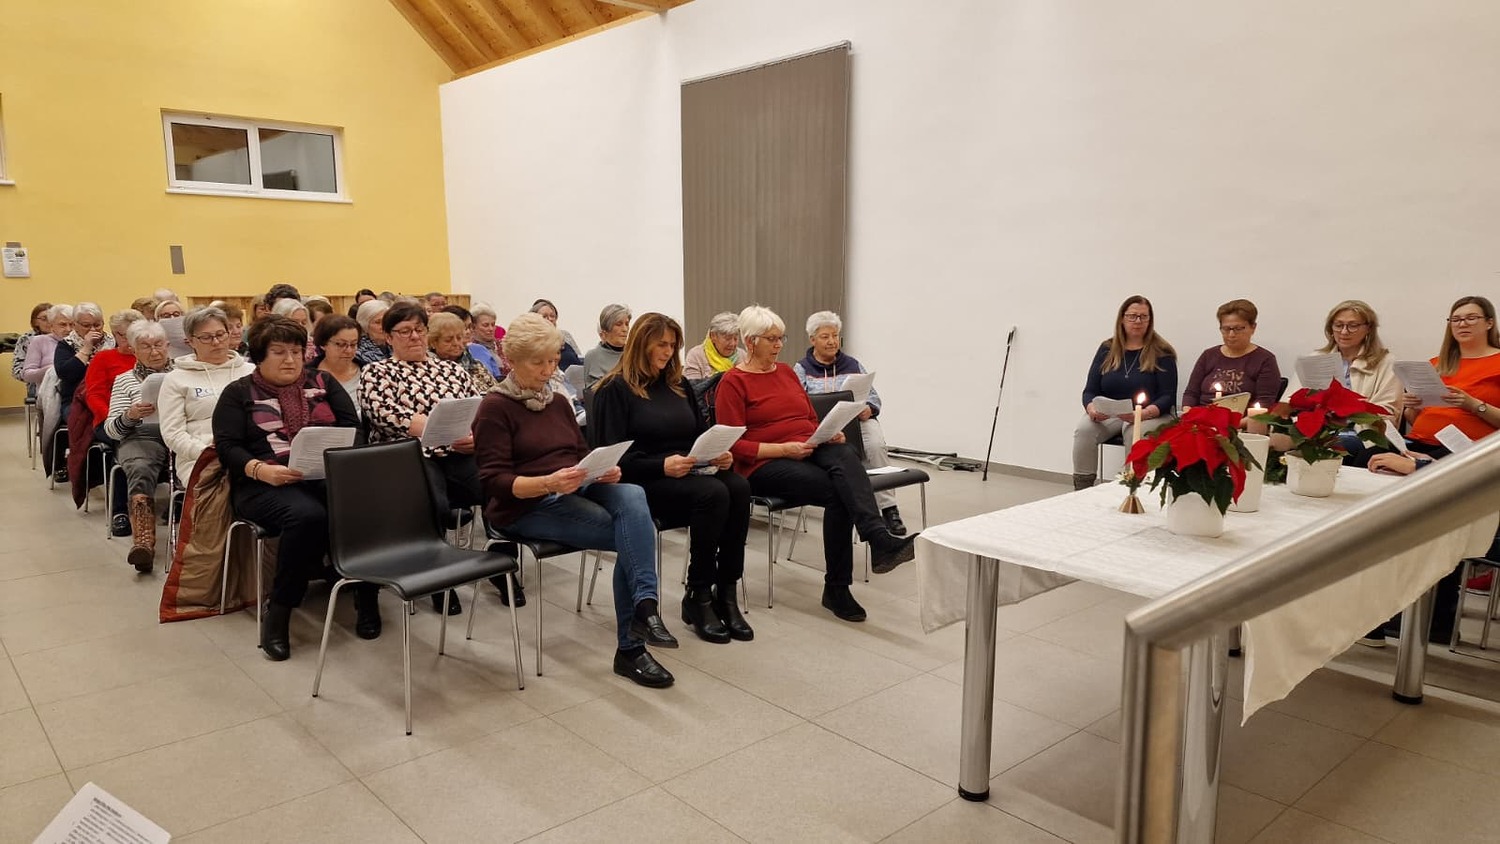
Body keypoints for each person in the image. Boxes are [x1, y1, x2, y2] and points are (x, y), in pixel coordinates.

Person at [473, 313, 680, 687]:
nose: (548, 370)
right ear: (511, 360)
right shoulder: (495, 408)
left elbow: (578, 452)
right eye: (538, 362)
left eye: (553, 360)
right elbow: (494, 482)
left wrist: (600, 470)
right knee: (633, 535)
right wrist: (547, 482)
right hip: (526, 505)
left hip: (572, 484)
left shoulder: (556, 401)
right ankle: (633, 643)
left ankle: (644, 610)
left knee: (632, 493)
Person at [715, 305, 918, 623]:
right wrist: (783, 450)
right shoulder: (733, 382)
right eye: (772, 339)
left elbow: (809, 418)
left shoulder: (785, 372)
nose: (779, 344)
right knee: (839, 491)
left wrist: (827, 433)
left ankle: (875, 539)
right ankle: (842, 582)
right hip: (763, 463)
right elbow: (732, 444)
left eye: (781, 338)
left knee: (845, 452)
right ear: (751, 341)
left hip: (806, 447)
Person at [213, 316, 373, 660]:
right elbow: (228, 447)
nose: (290, 360)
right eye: (279, 352)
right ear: (259, 356)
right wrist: (261, 470)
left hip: (326, 474)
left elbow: (354, 429)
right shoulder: (238, 393)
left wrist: (336, 458)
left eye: (297, 352)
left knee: (364, 503)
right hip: (263, 482)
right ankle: (280, 609)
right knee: (308, 516)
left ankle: (366, 593)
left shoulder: (323, 382)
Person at [593, 313, 754, 643]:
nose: (668, 352)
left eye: (673, 345)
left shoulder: (678, 385)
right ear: (642, 345)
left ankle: (726, 590)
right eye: (661, 345)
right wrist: (661, 466)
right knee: (713, 493)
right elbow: (611, 458)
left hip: (685, 471)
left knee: (738, 486)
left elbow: (698, 434)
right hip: (642, 480)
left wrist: (716, 453)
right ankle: (698, 593)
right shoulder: (615, 388)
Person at [359, 302, 481, 614]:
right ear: (389, 337)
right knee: (434, 503)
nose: (414, 336)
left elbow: (476, 408)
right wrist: (441, 431)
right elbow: (385, 415)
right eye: (404, 331)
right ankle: (439, 581)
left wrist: (474, 436)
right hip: (407, 456)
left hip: (456, 451)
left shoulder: (451, 369)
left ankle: (502, 565)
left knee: (497, 485)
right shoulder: (377, 372)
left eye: (419, 329)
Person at [793, 310, 911, 533]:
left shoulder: (852, 364)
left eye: (835, 336)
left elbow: (873, 397)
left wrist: (869, 408)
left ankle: (889, 508)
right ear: (812, 339)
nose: (832, 341)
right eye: (825, 336)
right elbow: (796, 403)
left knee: (876, 444)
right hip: (821, 425)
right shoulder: (801, 369)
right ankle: (854, 504)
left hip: (856, 421)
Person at [1071, 296, 1179, 490]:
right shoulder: (1107, 349)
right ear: (1122, 318)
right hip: (1112, 412)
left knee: (1133, 432)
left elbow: (1168, 396)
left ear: (1150, 320)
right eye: (1132, 316)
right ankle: (1082, 489)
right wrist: (1091, 408)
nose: (1138, 321)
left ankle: (1132, 489)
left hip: (1151, 413)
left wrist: (1143, 413)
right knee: (1084, 430)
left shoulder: (1162, 352)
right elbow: (1090, 390)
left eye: (1143, 317)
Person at [104, 320, 175, 571]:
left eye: (158, 344)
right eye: (146, 346)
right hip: (142, 435)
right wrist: (130, 415)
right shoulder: (124, 380)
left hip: (181, 433)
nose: (154, 351)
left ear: (168, 345)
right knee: (140, 466)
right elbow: (111, 429)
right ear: (134, 350)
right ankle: (143, 542)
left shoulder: (185, 373)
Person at [159, 307, 255, 487]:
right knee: (230, 486)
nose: (216, 342)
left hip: (252, 452)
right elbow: (173, 433)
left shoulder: (251, 372)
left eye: (220, 334)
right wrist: (207, 452)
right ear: (190, 341)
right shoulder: (175, 379)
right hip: (200, 457)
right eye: (206, 337)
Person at [1401, 296, 1500, 457]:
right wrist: (1414, 406)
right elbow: (1415, 419)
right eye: (1456, 320)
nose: (1462, 324)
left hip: (1469, 449)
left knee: (1406, 465)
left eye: (1471, 318)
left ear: (1489, 323)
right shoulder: (1436, 364)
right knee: (1369, 454)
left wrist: (1472, 404)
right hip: (1418, 441)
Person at [1182, 298, 1282, 408]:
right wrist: (1187, 412)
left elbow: (1264, 403)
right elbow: (1191, 393)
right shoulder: (1208, 355)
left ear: (1253, 327)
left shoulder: (1265, 360)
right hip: (1202, 414)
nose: (1231, 334)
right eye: (1226, 329)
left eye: (1238, 328)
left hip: (1242, 417)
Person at [53, 302, 108, 435]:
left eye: (97, 325)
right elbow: (66, 374)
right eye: (86, 325)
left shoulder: (112, 343)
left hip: (108, 397)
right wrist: (87, 348)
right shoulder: (66, 345)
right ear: (75, 325)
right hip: (75, 401)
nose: (93, 330)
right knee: (88, 423)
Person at [430, 312, 497, 394]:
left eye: (459, 338)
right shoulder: (430, 370)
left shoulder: (476, 365)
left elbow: (495, 392)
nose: (456, 343)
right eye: (448, 340)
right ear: (433, 343)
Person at [312, 315, 363, 414]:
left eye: (353, 344)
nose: (349, 350)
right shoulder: (308, 375)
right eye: (340, 344)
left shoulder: (368, 372)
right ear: (323, 344)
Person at [682, 311, 740, 381]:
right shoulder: (696, 356)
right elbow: (693, 386)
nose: (732, 343)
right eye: (728, 338)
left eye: (736, 338)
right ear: (713, 336)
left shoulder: (743, 356)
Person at [584, 304, 631, 386]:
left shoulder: (634, 355)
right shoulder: (593, 356)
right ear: (606, 329)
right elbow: (591, 391)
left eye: (627, 324)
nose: (625, 329)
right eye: (619, 324)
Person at [531, 298, 584, 369]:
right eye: (544, 316)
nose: (550, 319)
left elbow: (579, 358)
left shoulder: (564, 336)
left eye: (552, 316)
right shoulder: (532, 343)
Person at [9, 302, 51, 384]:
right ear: (35, 321)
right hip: (36, 387)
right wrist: (38, 374)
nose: (49, 322)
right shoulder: (26, 339)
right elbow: (17, 370)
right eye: (44, 319)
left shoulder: (63, 337)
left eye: (52, 318)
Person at [467, 302, 506, 378]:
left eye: (493, 324)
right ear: (473, 327)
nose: (491, 329)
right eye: (486, 325)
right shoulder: (470, 349)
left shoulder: (503, 344)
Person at [354, 299, 391, 365]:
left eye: (386, 320)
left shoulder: (395, 344)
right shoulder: (359, 353)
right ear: (365, 325)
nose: (383, 326)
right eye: (377, 322)